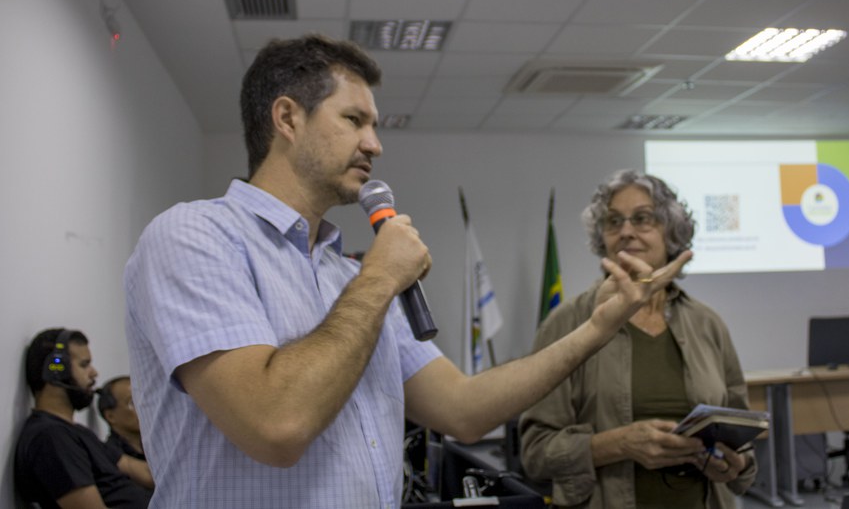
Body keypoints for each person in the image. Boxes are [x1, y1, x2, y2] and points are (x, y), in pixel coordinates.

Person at [123, 34, 694, 508]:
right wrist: (380, 277)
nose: (374, 143)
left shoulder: (347, 278)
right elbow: (277, 424)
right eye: (354, 120)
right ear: (287, 118)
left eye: (373, 125)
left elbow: (464, 410)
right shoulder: (194, 237)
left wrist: (597, 327)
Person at [519, 170, 757, 509]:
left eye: (642, 219)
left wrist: (738, 463)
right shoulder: (567, 323)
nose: (626, 231)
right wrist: (618, 444)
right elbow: (535, 453)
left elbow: (741, 436)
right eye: (613, 221)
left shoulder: (707, 323)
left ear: (671, 232)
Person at [15, 328, 154, 509]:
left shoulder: (78, 433)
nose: (94, 373)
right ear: (56, 370)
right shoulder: (51, 438)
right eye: (84, 364)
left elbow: (143, 473)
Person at [97, 376, 147, 463]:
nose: (142, 407)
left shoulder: (158, 444)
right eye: (132, 402)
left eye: (142, 400)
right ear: (110, 416)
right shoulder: (109, 456)